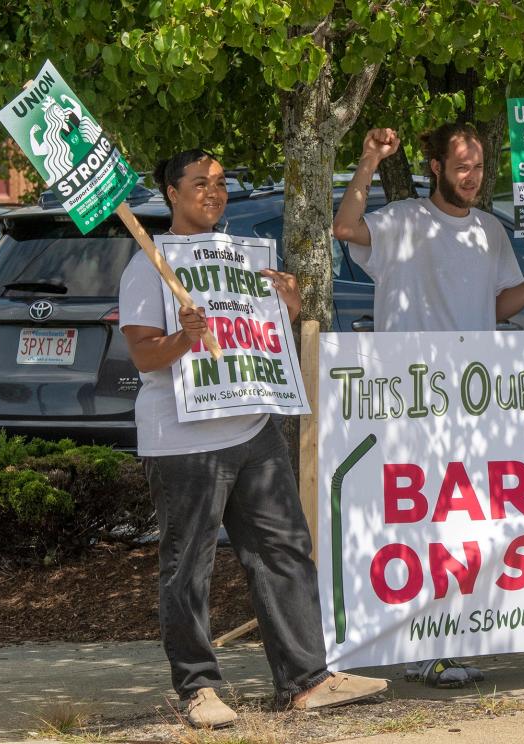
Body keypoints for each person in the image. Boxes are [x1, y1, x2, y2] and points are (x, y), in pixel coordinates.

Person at [119, 149, 387, 728]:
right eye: (199, 183)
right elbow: (143, 355)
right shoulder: (150, 263)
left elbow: (254, 340)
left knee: (282, 550)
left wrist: (286, 310)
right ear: (171, 193)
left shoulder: (241, 259)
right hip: (183, 439)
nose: (212, 193)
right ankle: (199, 689)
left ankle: (306, 678)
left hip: (252, 426)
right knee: (187, 564)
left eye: (219, 183)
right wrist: (183, 340)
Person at [333, 123, 524, 685]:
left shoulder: (490, 230)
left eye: (479, 167)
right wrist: (368, 160)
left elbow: (497, 306)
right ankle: (422, 643)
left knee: (462, 522)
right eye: (461, 166)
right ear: (436, 167)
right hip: (412, 398)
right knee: (421, 520)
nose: (472, 177)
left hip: (474, 398)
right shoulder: (405, 221)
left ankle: (448, 638)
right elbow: (344, 227)